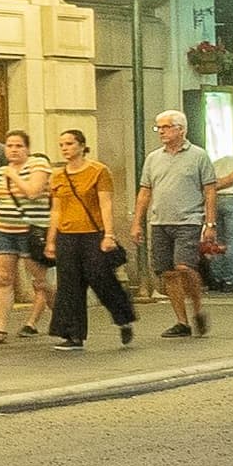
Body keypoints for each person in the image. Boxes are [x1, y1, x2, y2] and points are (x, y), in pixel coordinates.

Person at [46, 127, 137, 349]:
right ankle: (73, 335)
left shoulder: (98, 171)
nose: (65, 149)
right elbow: (56, 210)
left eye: (69, 144)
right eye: (62, 145)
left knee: (101, 279)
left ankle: (123, 318)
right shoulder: (58, 176)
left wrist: (109, 235)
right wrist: (51, 240)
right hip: (67, 235)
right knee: (69, 285)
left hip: (93, 234)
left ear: (81, 146)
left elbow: (106, 204)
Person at [140, 112, 216, 340]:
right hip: (160, 221)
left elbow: (210, 191)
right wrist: (137, 222)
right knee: (168, 273)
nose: (161, 131)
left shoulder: (198, 156)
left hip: (189, 220)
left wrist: (210, 223)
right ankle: (182, 322)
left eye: (166, 127)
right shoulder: (153, 158)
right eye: (159, 127)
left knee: (184, 266)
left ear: (181, 129)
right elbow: (145, 191)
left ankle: (197, 308)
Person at [0, 132, 52, 339]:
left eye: (18, 146)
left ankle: (64, 317)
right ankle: (0, 329)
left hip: (30, 232)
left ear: (27, 148)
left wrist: (13, 175)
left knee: (40, 281)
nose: (13, 150)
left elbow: (33, 192)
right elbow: (1, 200)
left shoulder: (38, 165)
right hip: (3, 230)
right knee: (3, 278)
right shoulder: (0, 171)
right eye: (9, 145)